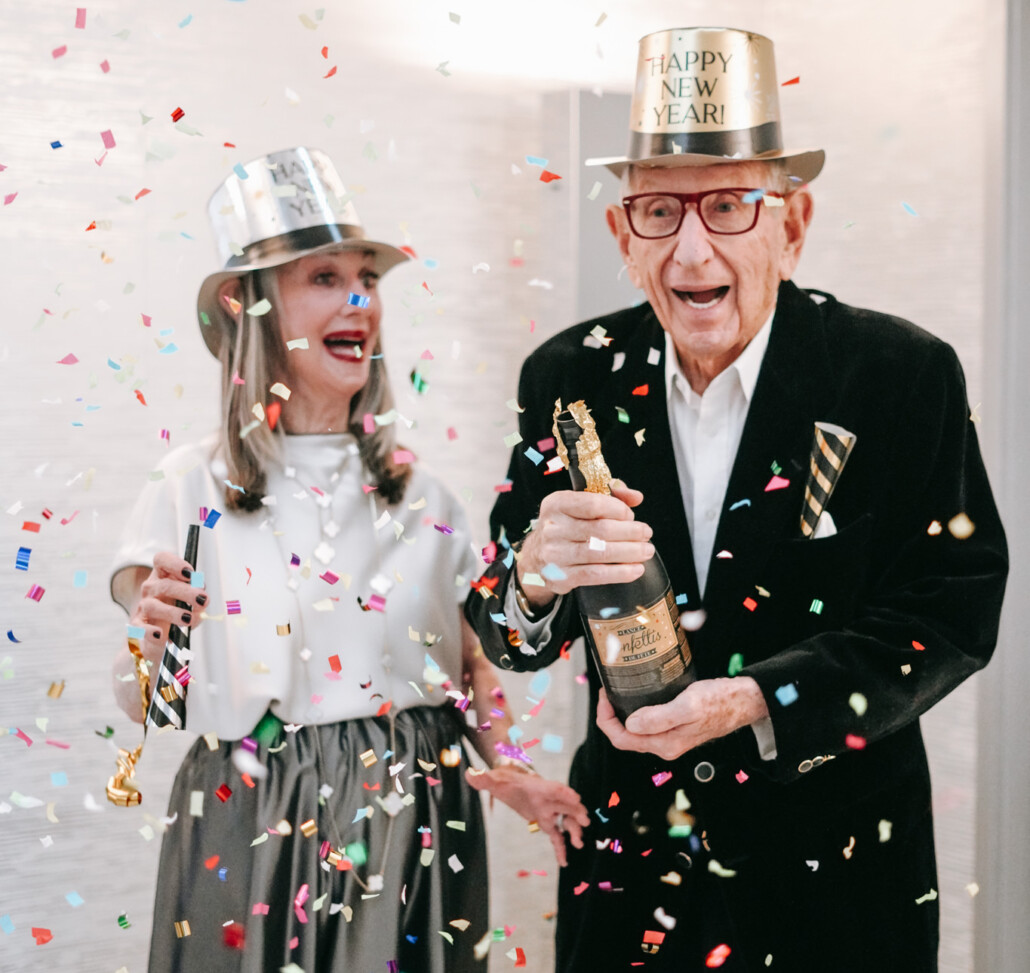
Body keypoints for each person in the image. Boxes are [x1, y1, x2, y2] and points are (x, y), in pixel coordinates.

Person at [464, 27, 1007, 973]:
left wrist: (757, 698)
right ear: (622, 234)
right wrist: (536, 577)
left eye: (728, 206)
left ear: (791, 223)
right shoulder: (567, 374)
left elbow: (951, 611)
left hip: (837, 875)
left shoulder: (899, 374)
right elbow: (510, 634)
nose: (693, 248)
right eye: (661, 213)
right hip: (630, 871)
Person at [109, 146, 589, 973]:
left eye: (365, 279)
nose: (360, 299)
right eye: (325, 278)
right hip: (248, 813)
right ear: (254, 309)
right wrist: (147, 642)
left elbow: (471, 663)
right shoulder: (189, 485)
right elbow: (143, 699)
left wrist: (512, 772)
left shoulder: (424, 497)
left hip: (414, 820)